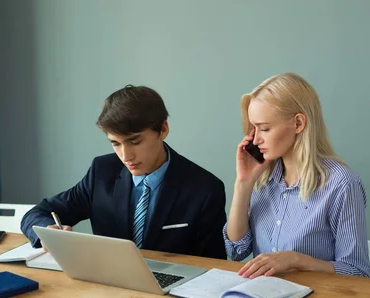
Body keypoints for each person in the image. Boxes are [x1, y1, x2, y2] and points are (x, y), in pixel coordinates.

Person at [21, 85, 227, 259]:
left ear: (163, 129)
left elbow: (213, 267)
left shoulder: (206, 189)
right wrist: (47, 232)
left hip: (173, 295)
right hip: (108, 287)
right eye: (115, 143)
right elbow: (36, 214)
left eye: (134, 141)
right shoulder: (102, 172)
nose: (125, 155)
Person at [224, 73, 370, 277]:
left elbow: (357, 272)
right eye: (253, 129)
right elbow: (236, 251)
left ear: (299, 124)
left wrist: (295, 260)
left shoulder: (341, 184)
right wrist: (243, 184)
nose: (255, 140)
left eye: (264, 128)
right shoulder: (262, 179)